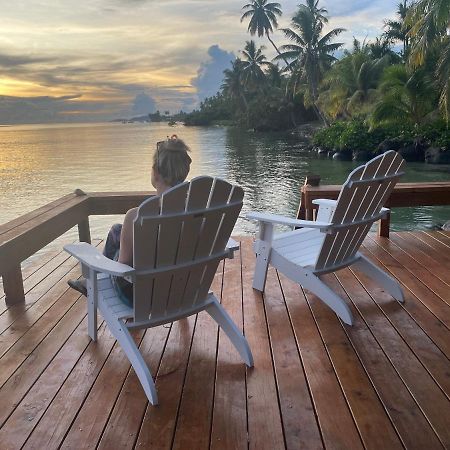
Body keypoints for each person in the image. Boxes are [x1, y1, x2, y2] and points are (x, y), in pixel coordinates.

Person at [68, 135, 192, 305]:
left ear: (155, 173)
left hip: (139, 296)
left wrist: (99, 264)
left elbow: (122, 267)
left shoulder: (136, 216)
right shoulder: (194, 211)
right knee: (118, 230)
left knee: (118, 236)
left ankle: (92, 283)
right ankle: (92, 282)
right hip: (181, 291)